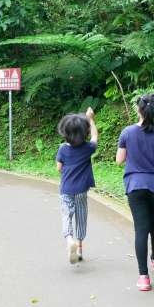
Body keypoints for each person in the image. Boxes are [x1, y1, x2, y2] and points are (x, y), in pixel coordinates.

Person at [116, 93, 154, 291]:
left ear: (138, 109)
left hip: (135, 186)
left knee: (141, 229)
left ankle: (143, 278)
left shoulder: (127, 132)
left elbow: (119, 160)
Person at [56, 108, 98, 265]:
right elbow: (95, 136)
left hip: (66, 189)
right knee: (81, 217)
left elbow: (59, 168)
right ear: (84, 132)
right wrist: (91, 119)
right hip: (81, 190)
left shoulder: (63, 149)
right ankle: (79, 248)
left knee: (67, 215)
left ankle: (69, 240)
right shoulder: (87, 148)